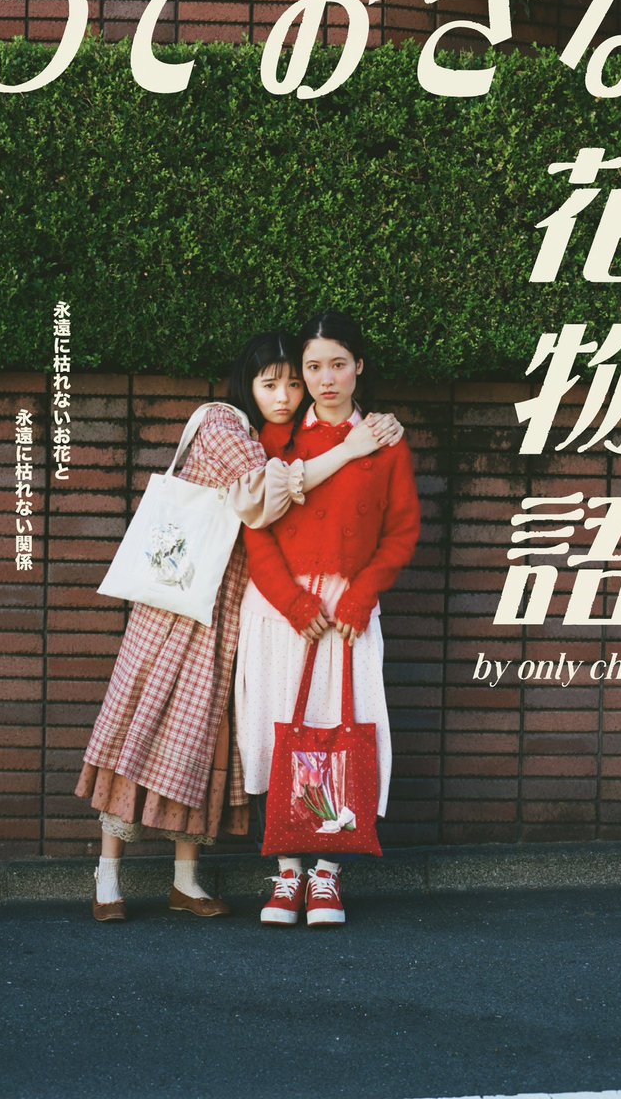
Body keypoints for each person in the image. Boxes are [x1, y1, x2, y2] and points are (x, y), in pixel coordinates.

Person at [74, 330, 403, 921]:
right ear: (246, 385)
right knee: (140, 728)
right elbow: (266, 499)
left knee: (200, 743)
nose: (285, 396)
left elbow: (394, 522)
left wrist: (368, 433)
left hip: (226, 614)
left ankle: (186, 881)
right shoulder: (226, 427)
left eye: (293, 384)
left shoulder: (275, 437)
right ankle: (107, 876)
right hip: (180, 609)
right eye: (270, 383)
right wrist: (352, 448)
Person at [236, 312, 421, 927]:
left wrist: (360, 596)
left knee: (340, 730)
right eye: (313, 367)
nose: (325, 379)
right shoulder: (276, 439)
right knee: (278, 734)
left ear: (358, 366)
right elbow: (256, 533)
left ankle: (327, 873)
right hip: (280, 612)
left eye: (338, 364)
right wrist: (293, 603)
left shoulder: (387, 442)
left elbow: (401, 532)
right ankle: (286, 872)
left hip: (346, 614)